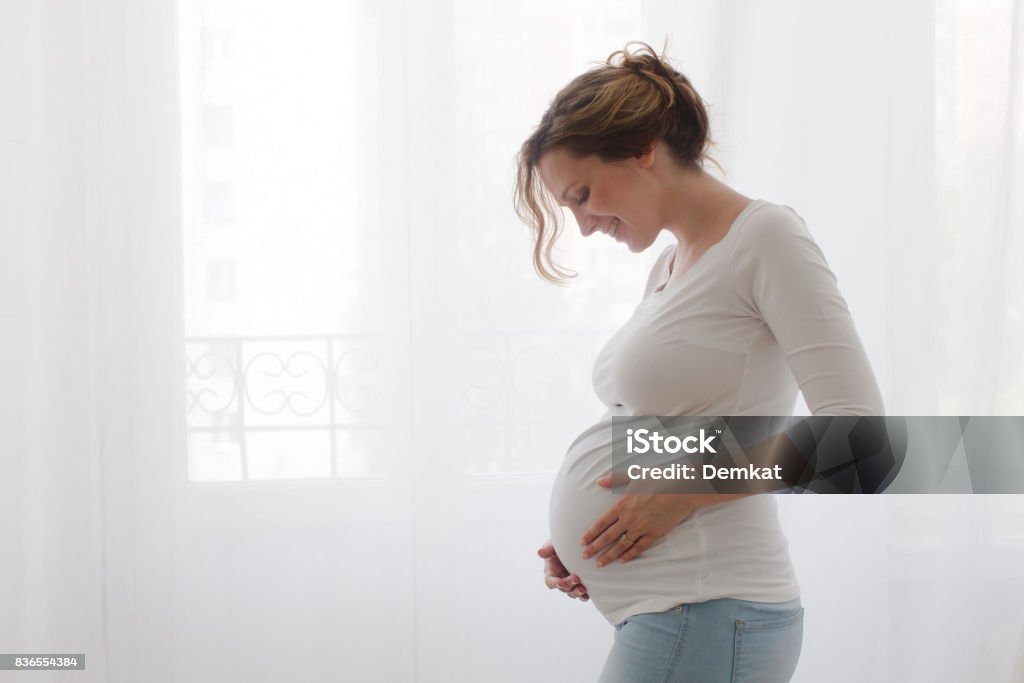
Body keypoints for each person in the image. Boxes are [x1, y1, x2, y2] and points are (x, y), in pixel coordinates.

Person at [514, 42, 885, 682]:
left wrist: (681, 496)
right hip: (676, 609)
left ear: (642, 148)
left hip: (712, 608)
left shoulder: (766, 236)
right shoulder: (669, 263)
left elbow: (860, 439)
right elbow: (681, 425)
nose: (581, 224)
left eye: (581, 194)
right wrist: (596, 539)